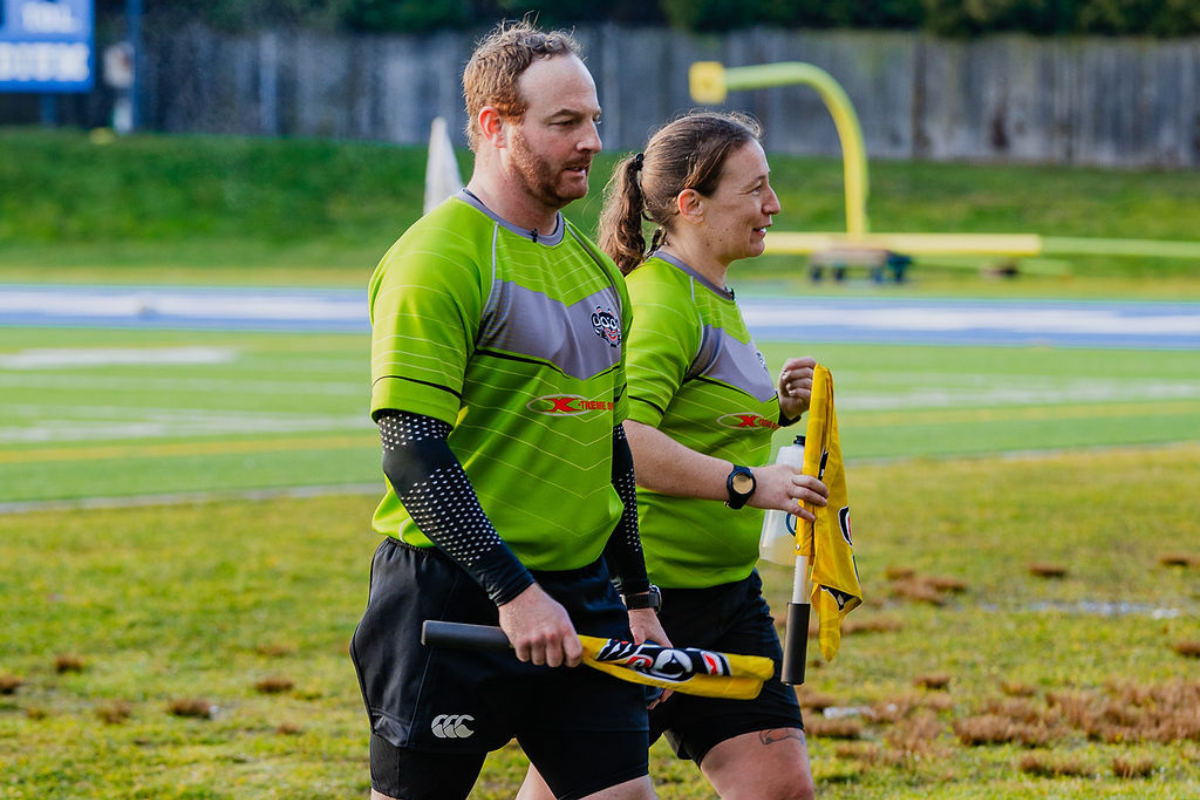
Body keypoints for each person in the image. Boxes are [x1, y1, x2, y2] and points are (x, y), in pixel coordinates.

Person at [350, 20, 668, 800]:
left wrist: (637, 599)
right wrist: (511, 591)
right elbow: (411, 448)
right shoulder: (439, 256)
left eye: (593, 118)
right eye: (565, 123)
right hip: (452, 591)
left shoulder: (595, 270)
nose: (592, 140)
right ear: (495, 126)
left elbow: (612, 450)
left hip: (582, 593)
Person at [520, 112, 829, 800]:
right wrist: (749, 483)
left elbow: (691, 417)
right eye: (755, 190)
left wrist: (774, 411)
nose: (772, 206)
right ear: (691, 204)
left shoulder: (711, 290)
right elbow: (620, 438)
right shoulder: (660, 300)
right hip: (643, 600)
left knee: (781, 790)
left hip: (727, 599)